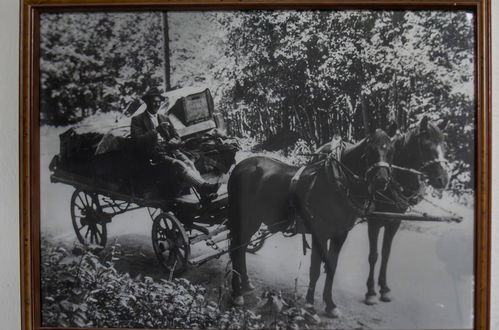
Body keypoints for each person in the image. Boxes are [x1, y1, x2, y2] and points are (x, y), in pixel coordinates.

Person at [131, 88, 219, 201]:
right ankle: (205, 187)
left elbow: (177, 136)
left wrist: (175, 141)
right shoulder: (137, 120)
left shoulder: (164, 117)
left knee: (189, 163)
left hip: (171, 149)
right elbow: (137, 142)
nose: (157, 104)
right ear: (147, 102)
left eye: (159, 102)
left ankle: (204, 194)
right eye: (154, 102)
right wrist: (156, 130)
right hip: (153, 155)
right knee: (179, 165)